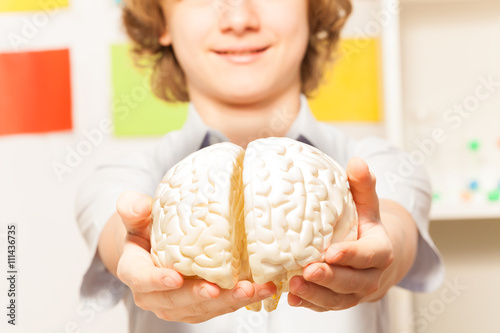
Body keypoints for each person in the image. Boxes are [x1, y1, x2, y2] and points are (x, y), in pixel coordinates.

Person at [76, 0, 444, 332]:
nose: (238, 18)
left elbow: (394, 231)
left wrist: (377, 255)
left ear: (313, 10)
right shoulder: (124, 177)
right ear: (161, 21)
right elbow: (117, 235)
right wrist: (133, 247)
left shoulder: (381, 166)